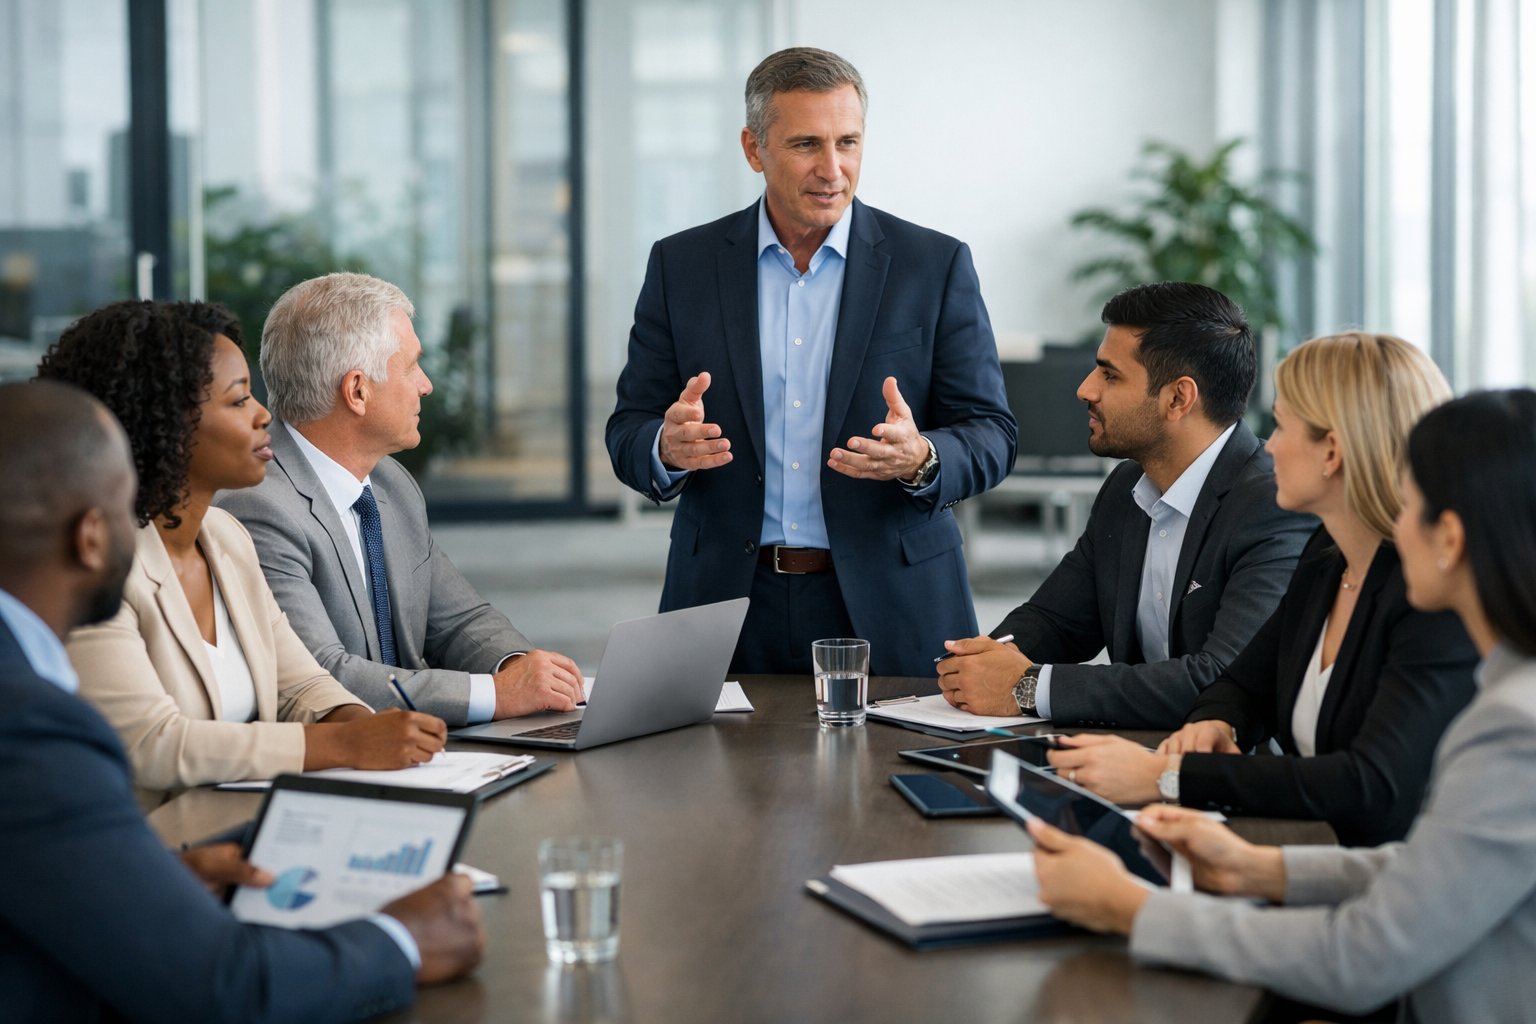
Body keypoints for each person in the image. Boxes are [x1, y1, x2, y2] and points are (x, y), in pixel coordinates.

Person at [1027, 389, 1536, 1023]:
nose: (1396, 522)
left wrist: (1132, 910)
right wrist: (1257, 869)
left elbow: (1360, 957)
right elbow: (1434, 868)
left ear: (1450, 538)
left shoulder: (1516, 727)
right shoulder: (1511, 692)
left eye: (1413, 503)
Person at [0, 380, 482, 1022]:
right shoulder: (28, 727)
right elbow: (228, 988)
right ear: (91, 538)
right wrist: (403, 939)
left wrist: (157, 881)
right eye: (125, 505)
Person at [605, 47, 1017, 677]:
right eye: (805, 145)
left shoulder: (933, 266)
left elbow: (993, 433)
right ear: (753, 148)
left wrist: (923, 458)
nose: (833, 169)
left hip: (893, 599)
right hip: (725, 598)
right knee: (706, 777)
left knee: (899, 776)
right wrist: (665, 446)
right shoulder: (680, 266)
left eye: (848, 142)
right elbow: (628, 425)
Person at [1043, 333, 1476, 846]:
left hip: (1389, 891)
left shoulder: (1430, 601)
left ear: (1332, 452)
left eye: (1282, 425)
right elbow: (1244, 683)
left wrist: (1168, 778)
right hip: (1308, 855)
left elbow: (1369, 784)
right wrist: (1218, 723)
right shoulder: (1326, 559)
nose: (1268, 445)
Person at [37, 300, 448, 810]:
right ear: (164, 422)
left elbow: (301, 685)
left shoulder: (227, 537)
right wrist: (343, 745)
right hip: (157, 854)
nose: (263, 415)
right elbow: (152, 745)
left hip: (250, 830)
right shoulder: (97, 569)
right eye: (237, 402)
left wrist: (367, 728)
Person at [938, 282, 1315, 728]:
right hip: (1129, 754)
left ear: (1178, 398)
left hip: (1222, 776)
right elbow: (1056, 621)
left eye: (1109, 375)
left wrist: (1027, 687)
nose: (1085, 389)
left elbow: (1222, 680)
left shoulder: (1273, 504)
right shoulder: (1127, 486)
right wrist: (981, 660)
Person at [215, 272, 582, 725]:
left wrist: (517, 669)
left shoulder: (391, 482)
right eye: (411, 367)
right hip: (338, 768)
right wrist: (494, 693)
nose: (426, 385)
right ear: (357, 391)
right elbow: (321, 675)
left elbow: (459, 620)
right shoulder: (259, 506)